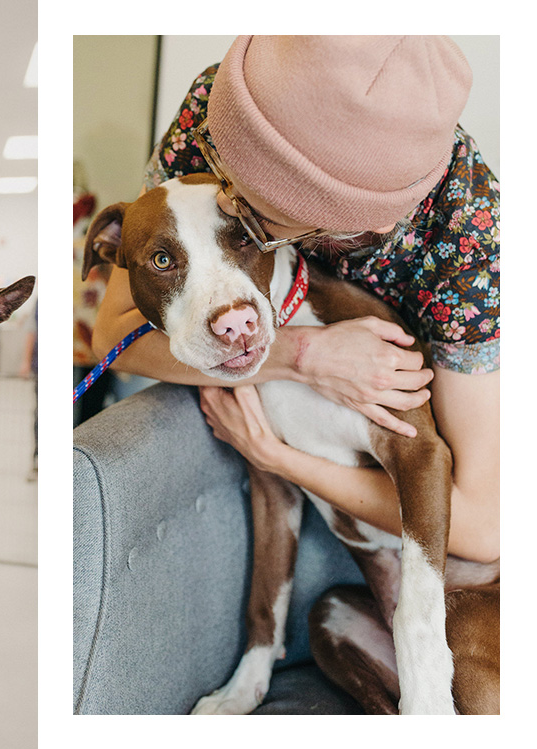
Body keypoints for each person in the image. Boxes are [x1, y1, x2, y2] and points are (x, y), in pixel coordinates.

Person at [92, 36, 499, 564]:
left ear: (358, 219)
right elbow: (113, 337)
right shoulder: (223, 111)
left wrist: (277, 459)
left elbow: (485, 527)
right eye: (227, 163)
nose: (222, 193)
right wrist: (303, 356)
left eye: (252, 214)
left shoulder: (469, 239)